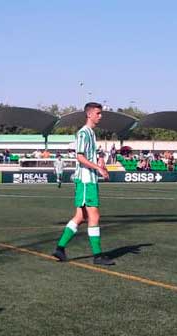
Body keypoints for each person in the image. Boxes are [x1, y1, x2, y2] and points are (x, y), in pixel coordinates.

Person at [52, 102, 114, 266]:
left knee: (81, 216)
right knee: (94, 216)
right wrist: (98, 169)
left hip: (89, 179)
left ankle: (60, 248)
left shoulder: (91, 134)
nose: (101, 116)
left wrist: (102, 166)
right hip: (86, 180)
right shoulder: (83, 133)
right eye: (98, 113)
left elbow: (93, 156)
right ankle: (98, 255)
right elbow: (79, 157)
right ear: (89, 114)